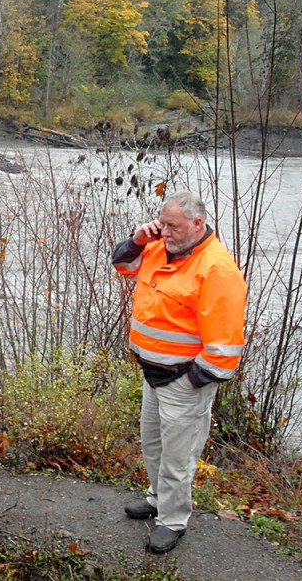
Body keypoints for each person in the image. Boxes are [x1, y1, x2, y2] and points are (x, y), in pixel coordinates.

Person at [112, 190, 247, 554]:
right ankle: (157, 500)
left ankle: (172, 520)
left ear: (197, 224)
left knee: (178, 456)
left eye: (172, 226)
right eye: (163, 224)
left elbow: (224, 347)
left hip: (183, 381)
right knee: (153, 445)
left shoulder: (216, 269)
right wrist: (138, 238)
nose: (165, 232)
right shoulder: (157, 248)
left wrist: (190, 382)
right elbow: (123, 265)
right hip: (153, 374)